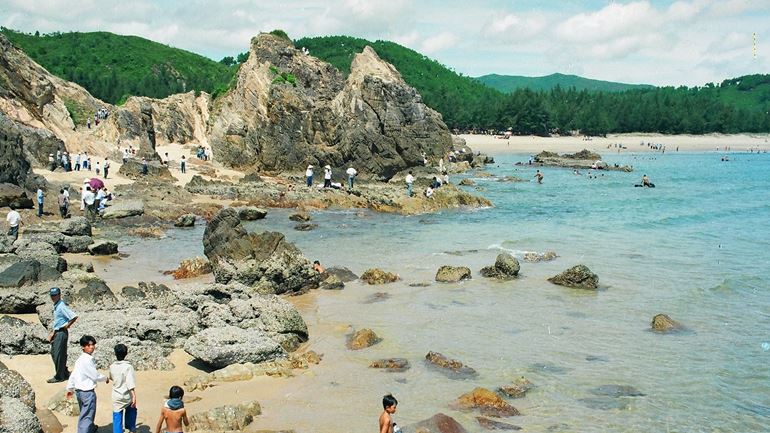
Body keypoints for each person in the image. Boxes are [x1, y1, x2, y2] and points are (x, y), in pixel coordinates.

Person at [66, 335, 108, 433]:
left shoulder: (79, 359)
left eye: (92, 344)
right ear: (83, 347)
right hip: (87, 392)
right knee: (87, 416)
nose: (91, 347)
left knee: (85, 413)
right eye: (88, 345)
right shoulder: (88, 360)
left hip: (79, 392)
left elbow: (73, 375)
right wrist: (105, 378)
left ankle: (91, 428)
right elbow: (94, 375)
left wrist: (70, 389)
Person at [48, 287, 78, 383]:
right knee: (55, 353)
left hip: (61, 332)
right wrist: (53, 333)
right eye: (52, 295)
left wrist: (67, 326)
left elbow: (73, 316)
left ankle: (59, 376)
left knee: (58, 354)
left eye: (55, 295)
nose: (53, 297)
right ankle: (63, 372)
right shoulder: (57, 305)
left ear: (59, 295)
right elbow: (57, 321)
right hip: (57, 332)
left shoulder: (61, 306)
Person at [110, 343, 137, 433]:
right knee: (131, 409)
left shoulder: (112, 366)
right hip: (127, 394)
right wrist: (134, 396)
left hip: (116, 395)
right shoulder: (128, 367)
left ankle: (117, 431)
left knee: (117, 415)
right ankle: (131, 428)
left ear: (115, 354)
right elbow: (130, 383)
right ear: (126, 353)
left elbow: (111, 377)